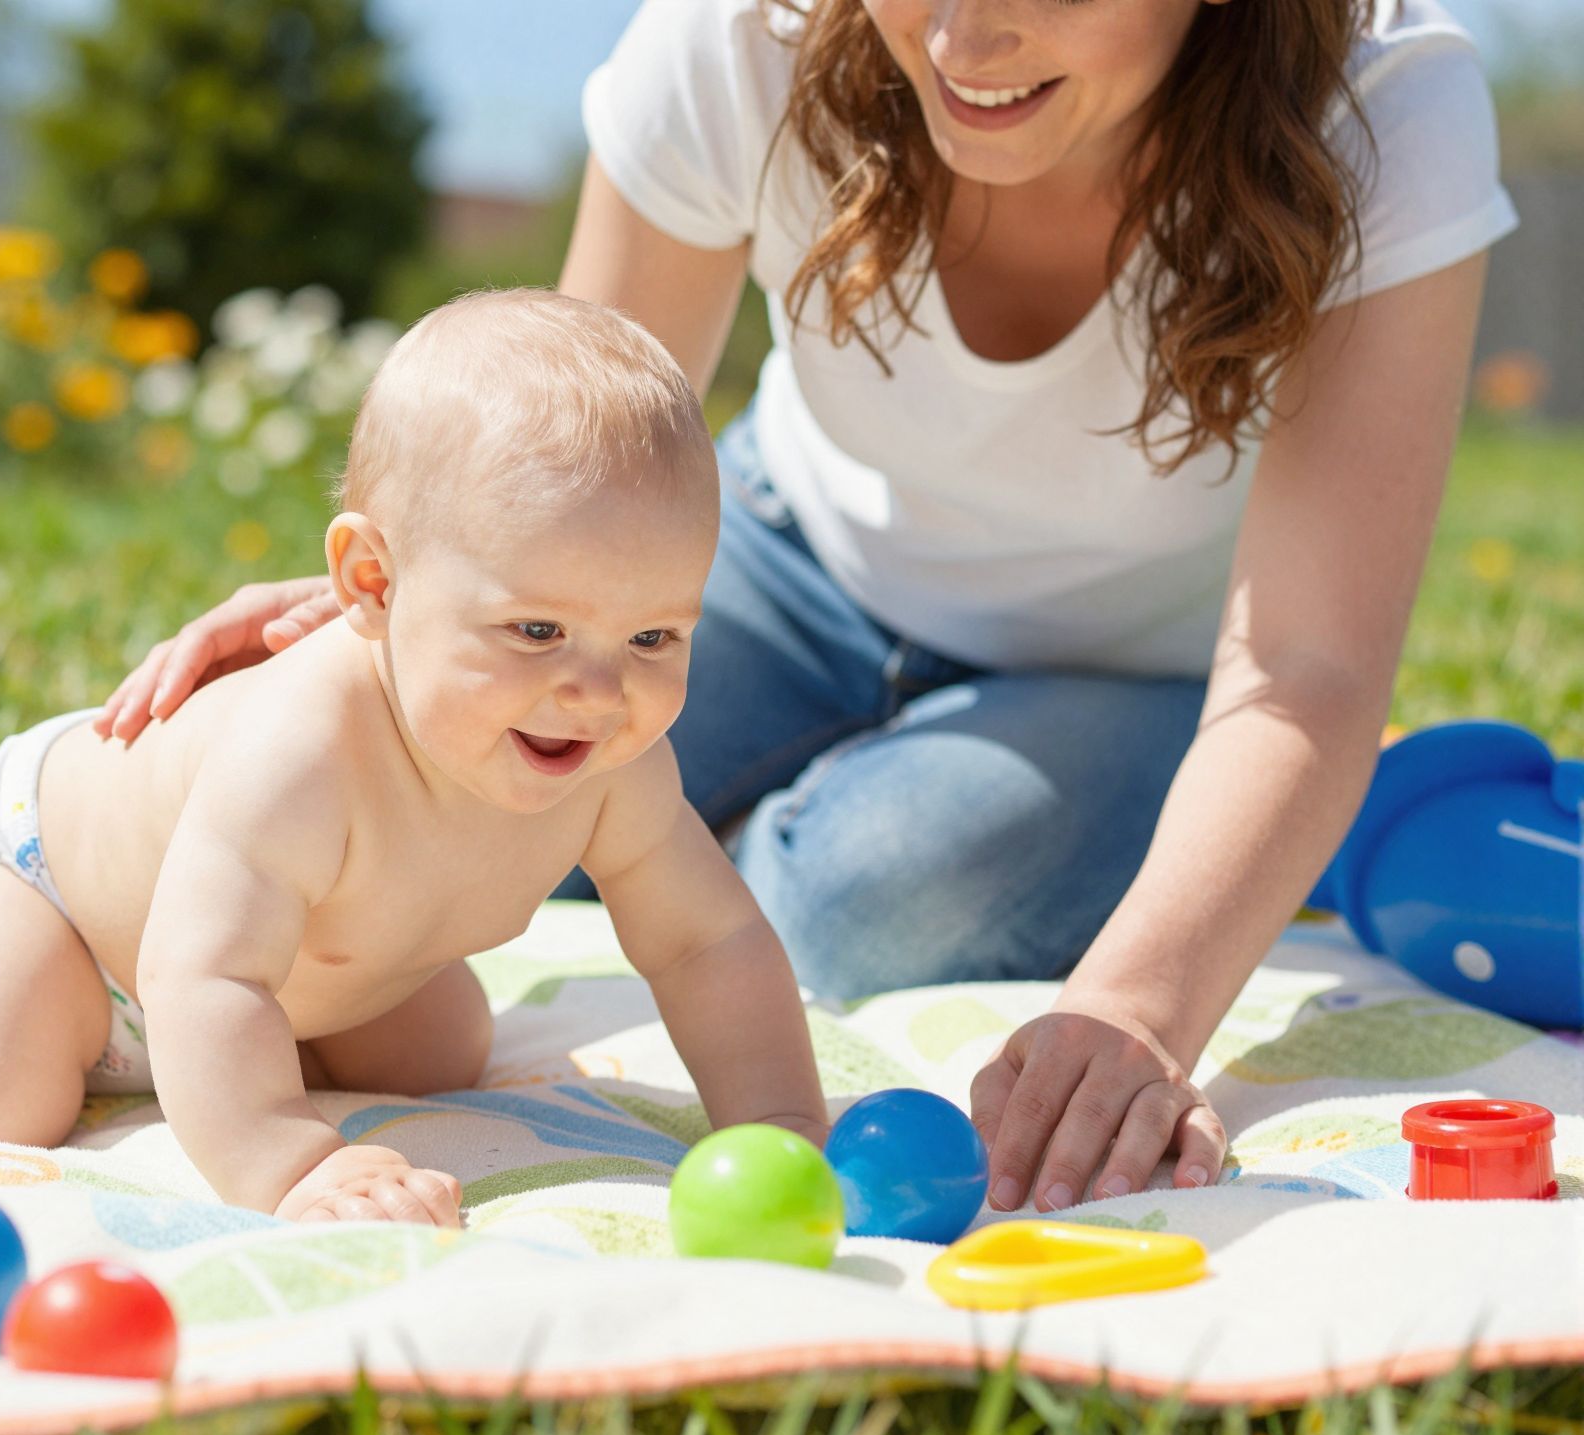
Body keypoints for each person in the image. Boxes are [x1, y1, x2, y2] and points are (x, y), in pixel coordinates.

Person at [95, 0, 1515, 1218]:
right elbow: (550, 454)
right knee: (462, 753)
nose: (963, 40)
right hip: (767, 576)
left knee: (855, 903)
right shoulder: (749, 34)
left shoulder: (1383, 106)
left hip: (1116, 680)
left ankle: (698, 842)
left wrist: (1140, 1004)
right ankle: (669, 834)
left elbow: (1311, 668)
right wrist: (420, 620)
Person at [0, 290, 829, 1224]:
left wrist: (783, 1124)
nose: (597, 692)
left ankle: (258, 1053)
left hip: (281, 968)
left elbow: (708, 945)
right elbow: (202, 970)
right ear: (371, 584)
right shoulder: (299, 748)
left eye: (653, 638)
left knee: (439, 1058)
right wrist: (290, 1165)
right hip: (66, 899)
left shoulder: (612, 762)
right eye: (535, 632)